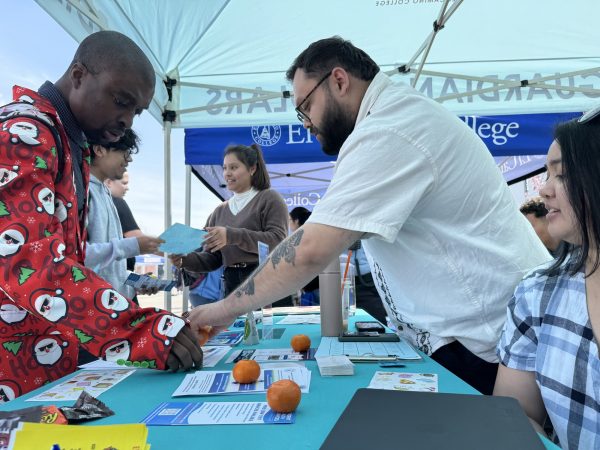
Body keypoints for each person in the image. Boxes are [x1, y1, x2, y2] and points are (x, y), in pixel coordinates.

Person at [187, 36, 550, 395]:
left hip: (483, 341)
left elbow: (311, 248)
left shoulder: (389, 129)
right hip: (472, 333)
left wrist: (223, 310)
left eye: (305, 108)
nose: (305, 123)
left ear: (339, 81)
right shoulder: (393, 117)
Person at [0, 30, 201, 400]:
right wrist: (141, 331)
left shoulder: (65, 143)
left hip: (46, 363)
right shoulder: (23, 135)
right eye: (120, 101)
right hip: (15, 374)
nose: (127, 120)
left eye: (136, 111)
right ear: (78, 76)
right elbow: (28, 262)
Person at [495, 112, 600, 449]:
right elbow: (513, 412)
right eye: (547, 173)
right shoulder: (537, 293)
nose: (544, 189)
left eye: (563, 174)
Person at [170, 144, 288, 298]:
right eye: (225, 168)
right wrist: (185, 260)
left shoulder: (269, 198)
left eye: (233, 167)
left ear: (252, 169)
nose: (227, 173)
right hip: (231, 285)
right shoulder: (219, 211)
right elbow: (213, 258)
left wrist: (231, 236)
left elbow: (278, 241)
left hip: (266, 280)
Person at [86, 129, 163, 299]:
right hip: (92, 311)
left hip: (111, 308)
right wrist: (133, 246)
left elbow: (109, 271)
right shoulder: (82, 193)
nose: (129, 158)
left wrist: (135, 283)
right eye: (124, 152)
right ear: (99, 150)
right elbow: (77, 257)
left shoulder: (106, 195)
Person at [105, 171, 140, 273]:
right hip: (118, 276)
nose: (127, 188)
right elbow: (138, 238)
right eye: (124, 183)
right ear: (109, 182)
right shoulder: (117, 202)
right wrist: (173, 251)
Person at [289, 207, 319, 306]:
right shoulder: (313, 236)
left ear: (296, 221)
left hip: (312, 290)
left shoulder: (300, 239)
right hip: (318, 288)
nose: (289, 224)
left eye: (290, 220)